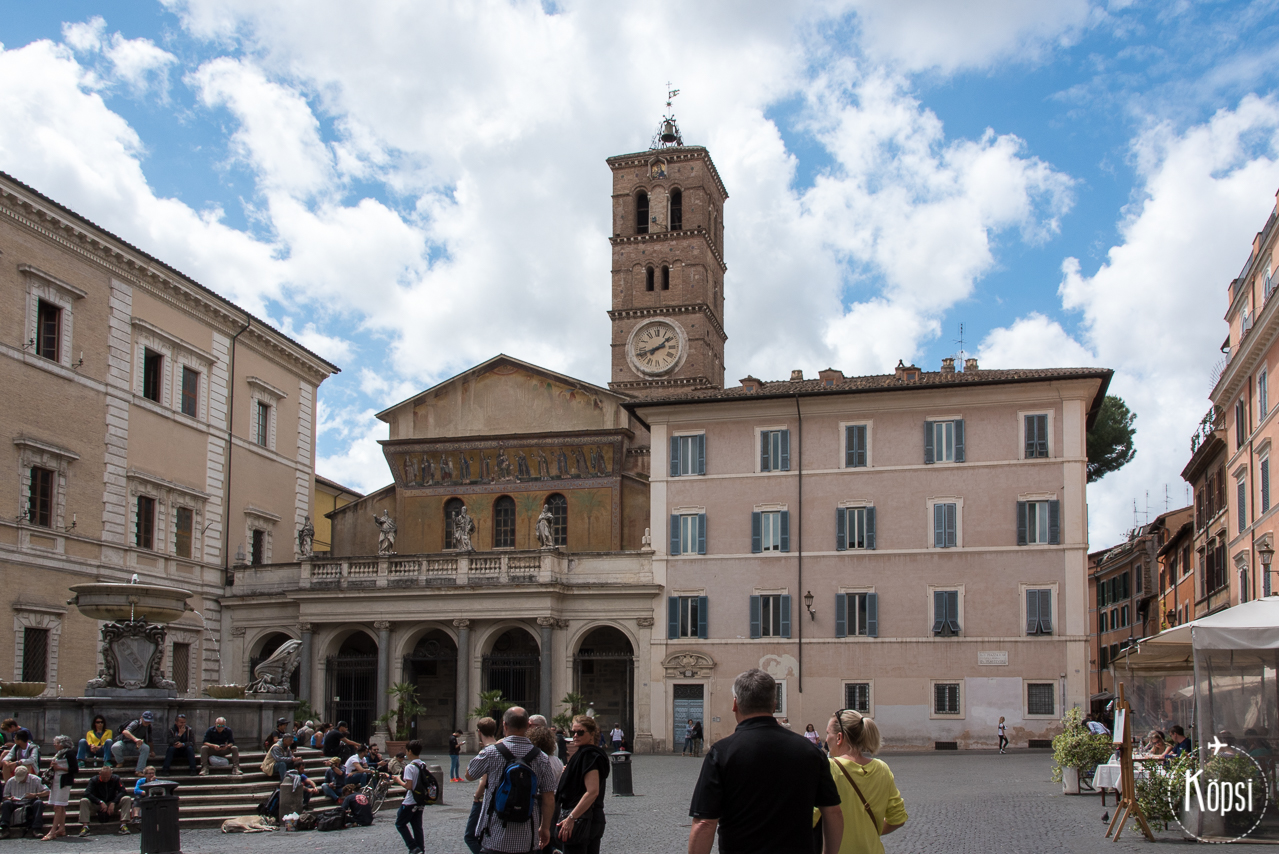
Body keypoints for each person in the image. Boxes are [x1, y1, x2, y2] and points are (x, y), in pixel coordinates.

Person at [688, 669, 842, 854]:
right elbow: (833, 812)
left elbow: (705, 823)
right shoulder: (810, 751)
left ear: (735, 704)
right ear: (774, 705)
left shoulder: (722, 752)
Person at [466, 706, 556, 854]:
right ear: (528, 725)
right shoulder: (541, 757)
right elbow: (549, 797)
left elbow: (469, 775)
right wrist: (545, 828)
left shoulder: (491, 752)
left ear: (504, 725)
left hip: (494, 835)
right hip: (527, 838)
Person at [824, 708, 907, 854]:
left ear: (839, 737)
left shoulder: (828, 769)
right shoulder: (882, 768)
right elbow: (897, 819)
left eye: (827, 733)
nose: (825, 739)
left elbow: (809, 818)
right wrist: (867, 832)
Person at [555, 715, 609, 854]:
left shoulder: (589, 756)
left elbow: (592, 791)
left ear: (592, 734)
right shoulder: (585, 755)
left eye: (580, 732)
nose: (575, 736)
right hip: (589, 817)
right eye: (573, 732)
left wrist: (571, 818)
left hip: (583, 819)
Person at [464, 716, 500, 854]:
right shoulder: (500, 748)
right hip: (497, 798)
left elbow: (472, 776)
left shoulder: (487, 752)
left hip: (483, 798)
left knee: (470, 836)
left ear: (479, 732)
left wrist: (476, 796)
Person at [393, 739, 428, 854]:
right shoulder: (422, 764)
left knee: (400, 823)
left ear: (410, 751)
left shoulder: (409, 767)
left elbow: (409, 786)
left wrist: (398, 780)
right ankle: (420, 849)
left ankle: (413, 847)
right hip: (420, 800)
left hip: (410, 801)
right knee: (417, 826)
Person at [78, 764, 131, 836]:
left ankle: (123, 825)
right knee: (84, 800)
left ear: (111, 774)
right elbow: (87, 793)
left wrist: (113, 802)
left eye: (108, 777)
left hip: (112, 803)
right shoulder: (94, 780)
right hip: (98, 804)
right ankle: (85, 827)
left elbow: (123, 791)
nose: (106, 779)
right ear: (99, 774)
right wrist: (99, 802)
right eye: (104, 777)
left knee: (127, 798)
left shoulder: (116, 779)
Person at [40, 734, 76, 840]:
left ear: (62, 744)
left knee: (58, 806)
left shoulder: (69, 754)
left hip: (64, 782)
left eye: (56, 743)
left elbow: (75, 769)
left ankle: (52, 831)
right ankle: (62, 828)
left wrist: (60, 768)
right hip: (56, 780)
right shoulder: (59, 754)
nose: (54, 745)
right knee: (60, 806)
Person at [0, 765, 46, 838]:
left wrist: (35, 795)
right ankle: (4, 828)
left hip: (30, 802)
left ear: (27, 774)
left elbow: (47, 791)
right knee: (6, 803)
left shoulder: (36, 779)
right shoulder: (11, 781)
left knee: (39, 803)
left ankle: (37, 828)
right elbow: (5, 796)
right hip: (15, 803)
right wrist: (10, 798)